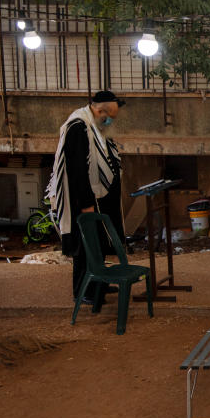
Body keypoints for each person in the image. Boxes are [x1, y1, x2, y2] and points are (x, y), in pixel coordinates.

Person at [46, 91, 126, 308]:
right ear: (100, 111)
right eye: (110, 117)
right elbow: (77, 170)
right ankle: (84, 290)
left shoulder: (94, 126)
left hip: (96, 197)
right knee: (85, 245)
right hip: (82, 200)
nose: (111, 122)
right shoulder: (78, 127)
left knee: (98, 243)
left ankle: (98, 282)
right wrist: (86, 204)